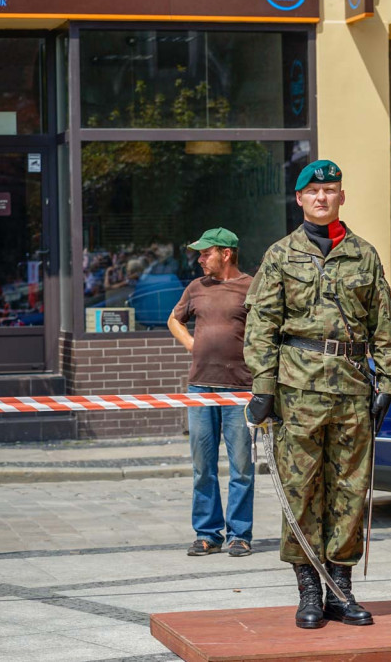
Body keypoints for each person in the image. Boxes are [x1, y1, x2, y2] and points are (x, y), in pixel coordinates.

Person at [244, 160, 391, 630]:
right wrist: (263, 387)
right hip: (298, 391)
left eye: (330, 190)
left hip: (353, 389)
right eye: (313, 191)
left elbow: (384, 325)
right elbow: (262, 327)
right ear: (299, 199)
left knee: (351, 492)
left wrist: (390, 382)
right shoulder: (280, 256)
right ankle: (310, 590)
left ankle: (342, 588)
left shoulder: (364, 255)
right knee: (301, 492)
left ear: (341, 197)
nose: (321, 197)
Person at [168, 228, 255, 559]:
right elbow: (174, 320)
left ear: (226, 254)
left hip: (239, 390)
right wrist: (192, 344)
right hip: (200, 388)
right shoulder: (196, 288)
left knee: (241, 466)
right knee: (203, 465)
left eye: (206, 253)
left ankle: (239, 534)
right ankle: (207, 533)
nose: (200, 259)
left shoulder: (250, 287)